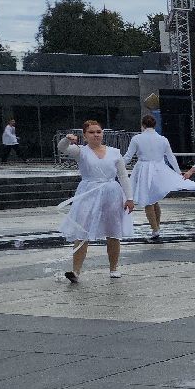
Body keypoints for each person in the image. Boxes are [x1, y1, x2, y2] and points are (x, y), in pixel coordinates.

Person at [58, 120, 135, 281]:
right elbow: (62, 148)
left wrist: (129, 198)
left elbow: (122, 175)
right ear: (85, 135)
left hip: (111, 192)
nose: (96, 135)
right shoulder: (81, 151)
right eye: (92, 132)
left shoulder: (114, 152)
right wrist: (67, 139)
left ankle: (113, 268)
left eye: (98, 132)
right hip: (89, 191)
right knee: (82, 229)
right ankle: (76, 271)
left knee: (113, 231)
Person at [123, 114, 190, 243]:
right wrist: (178, 173)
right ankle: (156, 228)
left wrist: (116, 166)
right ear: (155, 125)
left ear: (143, 125)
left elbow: (128, 157)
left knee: (148, 200)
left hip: (144, 169)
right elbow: (171, 157)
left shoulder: (137, 138)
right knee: (154, 200)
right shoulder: (163, 139)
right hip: (159, 169)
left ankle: (155, 229)